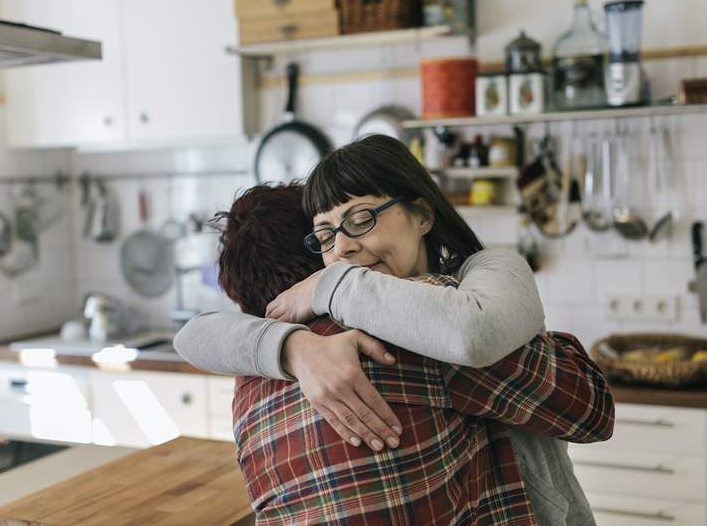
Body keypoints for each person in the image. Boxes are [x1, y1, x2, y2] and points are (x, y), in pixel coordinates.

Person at [175, 135, 615, 524]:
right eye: (325, 235)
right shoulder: (310, 342)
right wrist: (293, 346)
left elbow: (471, 330)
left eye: (361, 218)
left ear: (422, 214)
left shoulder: (471, 285)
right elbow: (190, 337)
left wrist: (329, 286)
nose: (343, 246)